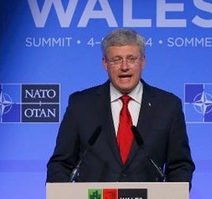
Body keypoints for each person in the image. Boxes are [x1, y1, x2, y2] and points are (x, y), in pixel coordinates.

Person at [46, 28, 195, 187]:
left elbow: (180, 166)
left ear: (142, 61)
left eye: (131, 58)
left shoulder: (168, 106)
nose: (124, 67)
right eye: (116, 60)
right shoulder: (81, 105)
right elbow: (61, 164)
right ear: (105, 63)